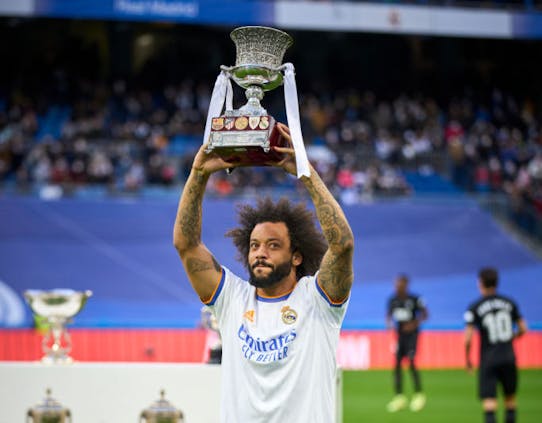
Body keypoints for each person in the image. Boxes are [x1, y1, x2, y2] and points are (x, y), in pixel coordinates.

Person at [173, 122, 354, 422]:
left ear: (296, 256)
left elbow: (343, 245)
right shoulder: (232, 299)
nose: (260, 252)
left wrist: (306, 174)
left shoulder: (319, 301)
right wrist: (198, 174)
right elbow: (186, 245)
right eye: (255, 245)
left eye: (273, 245)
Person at [464, 267, 527, 423]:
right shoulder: (509, 302)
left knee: (490, 402)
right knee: (510, 399)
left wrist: (467, 358)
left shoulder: (476, 306)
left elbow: (468, 338)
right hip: (508, 357)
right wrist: (511, 337)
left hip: (488, 359)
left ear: (481, 283)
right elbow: (523, 328)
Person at [386, 273, 428, 412]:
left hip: (412, 335)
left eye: (400, 284)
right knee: (397, 364)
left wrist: (414, 324)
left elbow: (425, 314)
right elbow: (389, 315)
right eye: (396, 284)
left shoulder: (415, 299)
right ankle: (399, 398)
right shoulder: (393, 300)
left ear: (405, 285)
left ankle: (419, 395)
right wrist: (389, 323)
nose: (397, 287)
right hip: (400, 336)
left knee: (411, 361)